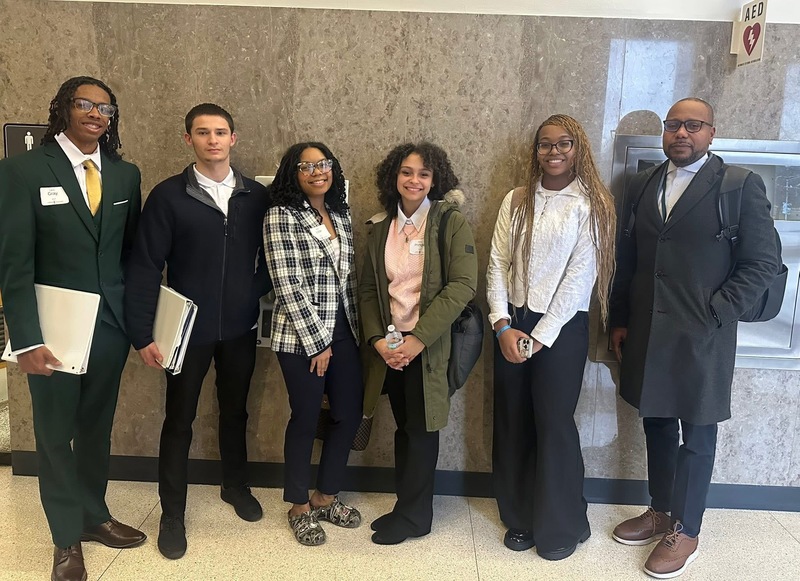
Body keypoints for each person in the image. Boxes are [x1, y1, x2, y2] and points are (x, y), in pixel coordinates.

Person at [609, 98, 779, 578]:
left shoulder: (738, 185)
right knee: (657, 424)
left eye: (693, 125)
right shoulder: (643, 184)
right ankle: (660, 511)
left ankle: (686, 530)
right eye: (673, 125)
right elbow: (629, 259)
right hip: (649, 330)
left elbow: (763, 263)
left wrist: (718, 311)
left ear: (711, 132)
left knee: (698, 433)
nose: (681, 133)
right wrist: (619, 318)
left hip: (704, 335)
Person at [0, 76, 145, 581]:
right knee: (55, 434)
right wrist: (26, 338)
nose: (95, 114)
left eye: (105, 108)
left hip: (109, 328)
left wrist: (136, 324)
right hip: (52, 332)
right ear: (63, 107)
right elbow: (14, 264)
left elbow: (129, 254)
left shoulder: (125, 176)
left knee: (96, 429)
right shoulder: (21, 171)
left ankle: (92, 515)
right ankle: (65, 537)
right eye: (85, 104)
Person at [124, 103, 270, 560]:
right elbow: (145, 266)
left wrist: (251, 290)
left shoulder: (255, 197)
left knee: (235, 412)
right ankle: (172, 513)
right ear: (188, 139)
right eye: (203, 133)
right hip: (186, 333)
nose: (213, 140)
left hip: (241, 328)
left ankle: (235, 486)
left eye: (220, 132)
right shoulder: (169, 196)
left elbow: (275, 257)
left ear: (233, 138)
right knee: (179, 421)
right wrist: (141, 333)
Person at [487, 114, 616, 561]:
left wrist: (540, 337)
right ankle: (519, 518)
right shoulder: (516, 199)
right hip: (511, 321)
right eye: (545, 144)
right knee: (513, 419)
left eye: (564, 143)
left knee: (554, 424)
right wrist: (502, 324)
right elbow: (498, 262)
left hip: (562, 327)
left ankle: (563, 524)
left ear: (578, 149)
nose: (554, 152)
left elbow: (581, 277)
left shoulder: (592, 204)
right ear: (536, 150)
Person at [360, 142, 478, 545]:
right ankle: (405, 508)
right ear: (394, 177)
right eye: (407, 172)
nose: (414, 180)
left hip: (429, 348)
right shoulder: (382, 226)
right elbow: (368, 291)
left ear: (435, 180)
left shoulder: (449, 222)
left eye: (423, 174)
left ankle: (415, 518)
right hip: (391, 348)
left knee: (422, 431)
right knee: (405, 429)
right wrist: (379, 341)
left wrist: (419, 339)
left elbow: (462, 285)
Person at [263, 142, 363, 546]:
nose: (317, 171)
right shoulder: (280, 215)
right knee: (305, 418)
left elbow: (348, 278)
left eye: (323, 164)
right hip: (300, 337)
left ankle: (326, 497)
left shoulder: (340, 212)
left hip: (345, 330)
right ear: (293, 173)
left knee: (347, 414)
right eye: (306, 167)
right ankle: (299, 505)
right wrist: (318, 344)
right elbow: (287, 284)